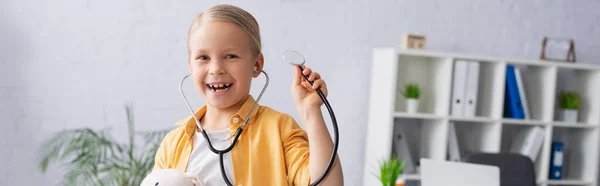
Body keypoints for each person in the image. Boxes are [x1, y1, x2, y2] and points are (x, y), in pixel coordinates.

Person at [152, 4, 344, 186]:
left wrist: (310, 111)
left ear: (257, 65)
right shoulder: (173, 143)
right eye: (203, 58)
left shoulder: (279, 129)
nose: (216, 69)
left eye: (230, 56)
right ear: (190, 65)